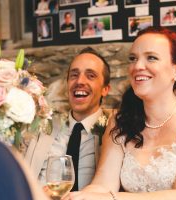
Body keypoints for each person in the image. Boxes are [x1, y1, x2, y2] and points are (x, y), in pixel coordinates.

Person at [63, 27, 176, 200]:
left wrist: (113, 198)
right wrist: (80, 196)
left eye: (151, 58)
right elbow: (103, 185)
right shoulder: (120, 121)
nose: (138, 66)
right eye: (133, 59)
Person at [24, 47, 111, 191]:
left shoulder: (115, 129)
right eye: (74, 75)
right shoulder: (42, 127)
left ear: (105, 89)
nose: (80, 81)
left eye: (91, 76)